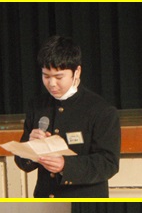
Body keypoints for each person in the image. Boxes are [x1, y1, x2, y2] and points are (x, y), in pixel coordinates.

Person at [15, 36, 121, 198]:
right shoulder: (37, 105)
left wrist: (66, 165)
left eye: (58, 77)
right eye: (46, 76)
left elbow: (109, 163)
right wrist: (30, 148)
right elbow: (22, 162)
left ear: (77, 72)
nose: (52, 84)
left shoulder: (101, 110)